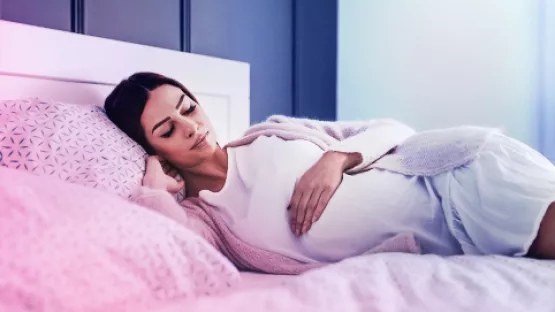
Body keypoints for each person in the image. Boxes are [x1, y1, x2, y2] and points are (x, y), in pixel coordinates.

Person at [104, 72, 555, 265]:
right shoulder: (206, 221)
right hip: (447, 236)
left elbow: (391, 128)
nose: (191, 126)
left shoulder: (271, 133)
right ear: (155, 150)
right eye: (166, 128)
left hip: (456, 176)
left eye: (188, 107)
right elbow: (173, 252)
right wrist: (155, 192)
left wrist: (334, 160)